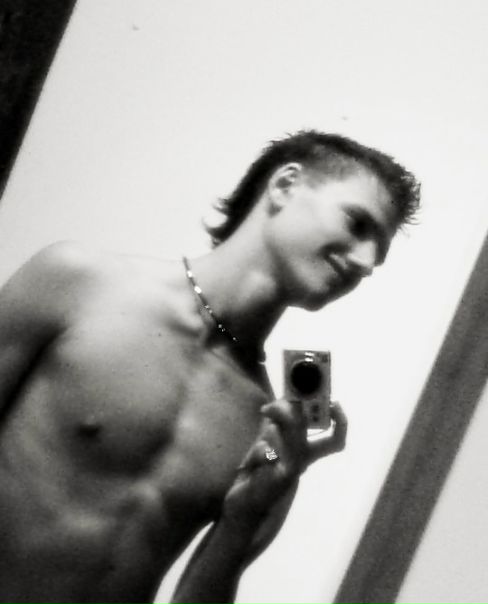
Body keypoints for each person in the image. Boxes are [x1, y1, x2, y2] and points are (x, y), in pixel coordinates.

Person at [0, 130, 420, 604]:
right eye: (357, 223)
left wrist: (247, 515)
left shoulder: (275, 431)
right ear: (285, 185)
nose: (366, 261)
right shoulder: (78, 283)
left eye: (379, 253)